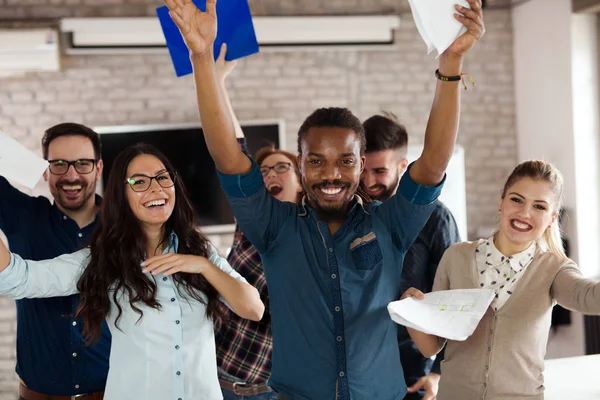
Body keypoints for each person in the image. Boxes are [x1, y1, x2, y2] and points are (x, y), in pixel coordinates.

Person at [165, 0, 484, 397]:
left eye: (345, 161)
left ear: (361, 164)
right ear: (300, 165)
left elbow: (434, 162)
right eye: (316, 161)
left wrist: (450, 64)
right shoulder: (274, 226)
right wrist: (201, 57)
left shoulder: (390, 223)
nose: (331, 174)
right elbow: (228, 157)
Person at [0, 143, 264, 400]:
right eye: (139, 182)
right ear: (122, 196)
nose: (156, 188)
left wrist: (204, 266)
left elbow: (254, 308)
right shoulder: (104, 259)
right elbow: (18, 279)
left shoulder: (200, 252)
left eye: (162, 178)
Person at [403, 160, 600, 400]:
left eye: (539, 206)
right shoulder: (456, 257)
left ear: (552, 218)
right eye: (517, 199)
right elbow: (431, 346)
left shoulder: (554, 269)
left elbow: (590, 297)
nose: (525, 213)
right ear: (501, 201)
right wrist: (410, 313)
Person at [211, 44, 302, 400]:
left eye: (282, 167)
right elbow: (235, 149)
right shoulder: (250, 225)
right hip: (212, 380)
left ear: (300, 179)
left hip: (270, 391)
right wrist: (217, 80)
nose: (270, 174)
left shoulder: (316, 235)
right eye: (264, 171)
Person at [0, 123, 110, 399]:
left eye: (82, 164)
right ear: (46, 170)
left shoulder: (125, 229)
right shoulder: (23, 215)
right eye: (59, 164)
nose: (70, 175)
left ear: (98, 168)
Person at [361, 112, 461, 400]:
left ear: (403, 165)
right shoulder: (350, 213)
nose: (368, 181)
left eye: (379, 171)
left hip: (414, 369)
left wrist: (439, 372)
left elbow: (453, 297)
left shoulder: (436, 217)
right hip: (357, 367)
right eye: (363, 169)